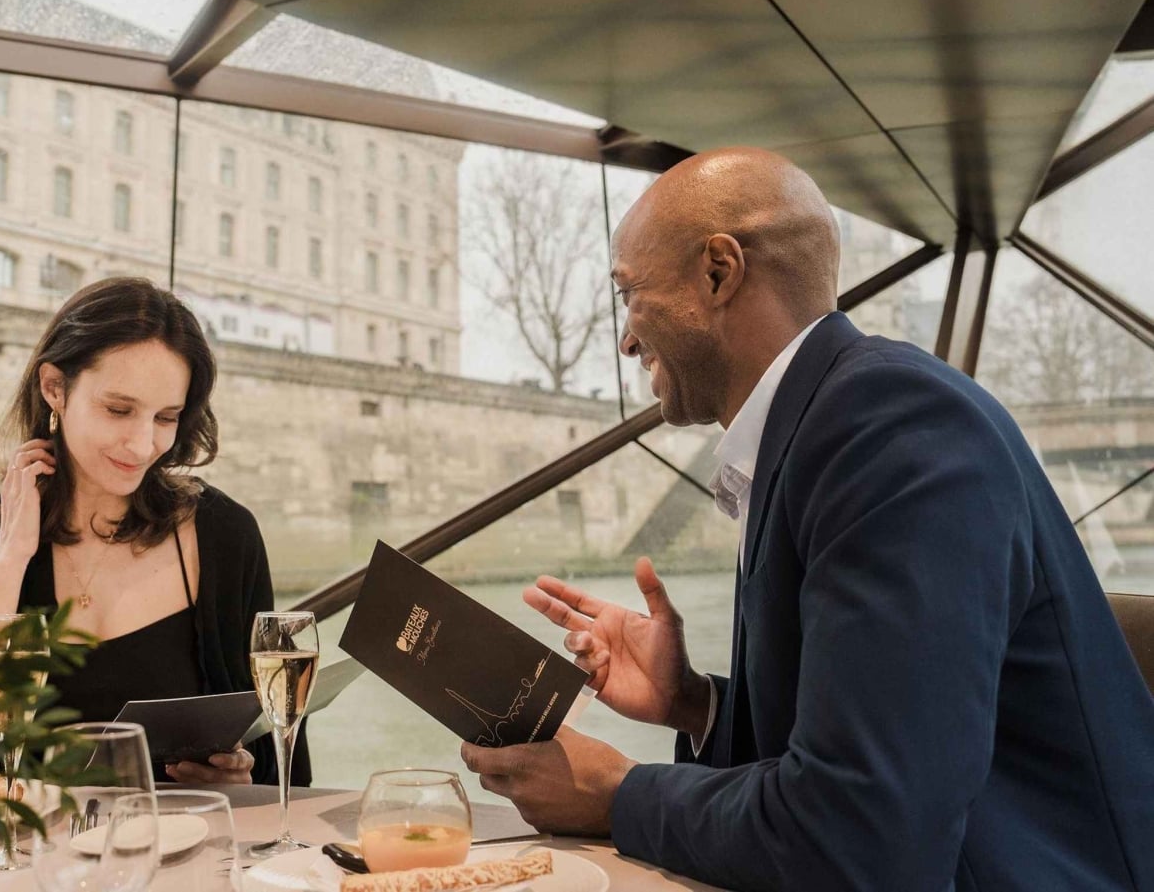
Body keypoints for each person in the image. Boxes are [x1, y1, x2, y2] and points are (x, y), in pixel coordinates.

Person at [458, 148, 1154, 889]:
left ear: (718, 272)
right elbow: (846, 759)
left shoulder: (892, 429)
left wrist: (617, 792)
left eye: (630, 293)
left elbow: (862, 835)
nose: (626, 337)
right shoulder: (825, 425)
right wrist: (695, 702)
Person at [0, 277, 310, 787]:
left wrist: (240, 786)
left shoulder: (224, 534)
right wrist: (12, 556)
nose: (142, 444)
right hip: (21, 862)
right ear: (54, 388)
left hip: (188, 855)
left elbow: (286, 761)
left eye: (166, 417)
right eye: (118, 410)